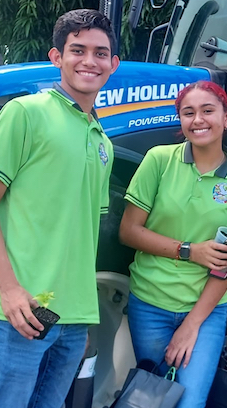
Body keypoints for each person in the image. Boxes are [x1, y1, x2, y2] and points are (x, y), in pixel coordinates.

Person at [0, 9, 119, 407]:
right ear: (56, 57)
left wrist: (80, 315)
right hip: (19, 312)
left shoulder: (104, 142)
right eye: (78, 50)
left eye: (100, 53)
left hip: (71, 319)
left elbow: (82, 237)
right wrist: (8, 288)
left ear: (113, 64)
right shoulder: (25, 113)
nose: (90, 61)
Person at [119, 80, 227, 408]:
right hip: (150, 302)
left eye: (208, 111)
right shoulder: (158, 160)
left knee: (190, 402)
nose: (198, 119)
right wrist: (190, 250)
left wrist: (192, 324)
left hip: (206, 311)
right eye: (188, 112)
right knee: (152, 400)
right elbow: (128, 231)